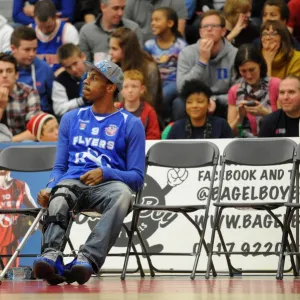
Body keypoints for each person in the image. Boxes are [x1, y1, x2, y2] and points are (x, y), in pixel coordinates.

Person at [33, 59, 145, 285]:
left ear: (110, 87)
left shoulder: (130, 124)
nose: (86, 81)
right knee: (60, 192)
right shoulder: (71, 118)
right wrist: (50, 186)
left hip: (108, 186)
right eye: (87, 76)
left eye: (94, 78)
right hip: (73, 181)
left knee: (123, 195)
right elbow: (60, 167)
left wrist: (107, 173)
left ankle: (87, 258)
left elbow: (137, 178)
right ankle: (51, 255)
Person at [176, 10, 238, 120]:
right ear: (200, 32)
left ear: (223, 31)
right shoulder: (186, 53)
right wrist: (202, 62)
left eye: (214, 26)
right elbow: (181, 88)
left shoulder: (234, 55)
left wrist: (214, 100)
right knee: (179, 104)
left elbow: (238, 92)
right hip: (195, 100)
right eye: (205, 26)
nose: (209, 29)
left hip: (222, 101)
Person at [144, 7, 187, 122]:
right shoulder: (149, 45)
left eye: (157, 20)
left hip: (175, 82)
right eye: (152, 20)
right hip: (155, 82)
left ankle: (166, 121)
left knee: (164, 94)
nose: (153, 23)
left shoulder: (180, 45)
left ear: (170, 23)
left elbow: (185, 70)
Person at [227, 44, 280, 137]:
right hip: (244, 145)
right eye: (243, 71)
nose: (249, 75)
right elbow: (230, 132)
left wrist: (265, 113)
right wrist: (240, 117)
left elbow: (285, 125)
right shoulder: (234, 91)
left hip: (274, 141)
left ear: (260, 65)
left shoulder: (277, 85)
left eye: (252, 70)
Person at [109, 27, 163, 118]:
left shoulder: (149, 68)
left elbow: (151, 101)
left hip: (143, 117)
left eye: (114, 49)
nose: (110, 52)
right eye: (110, 48)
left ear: (126, 49)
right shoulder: (113, 67)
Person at [167, 79, 233, 139]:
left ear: (208, 104)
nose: (194, 106)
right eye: (189, 102)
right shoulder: (177, 128)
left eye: (200, 101)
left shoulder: (221, 125)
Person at [10, 26, 54, 114]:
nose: (32, 54)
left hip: (40, 119)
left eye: (34, 49)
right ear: (13, 49)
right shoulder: (3, 67)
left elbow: (53, 101)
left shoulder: (44, 69)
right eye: (27, 50)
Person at [0, 170, 37, 268]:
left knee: (8, 279)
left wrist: (37, 225)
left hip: (11, 245)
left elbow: (37, 214)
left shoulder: (20, 185)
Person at [0, 53, 40, 142]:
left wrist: (8, 143)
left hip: (22, 145)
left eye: (9, 71)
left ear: (16, 75)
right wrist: (1, 107)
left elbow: (35, 130)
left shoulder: (29, 93)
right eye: (0, 71)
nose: (4, 75)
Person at [32, 0, 79, 74]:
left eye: (48, 26)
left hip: (62, 76)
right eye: (40, 27)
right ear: (34, 18)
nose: (44, 30)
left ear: (56, 17)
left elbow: (75, 62)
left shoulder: (68, 30)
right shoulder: (29, 31)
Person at [119, 69, 161, 139]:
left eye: (134, 86)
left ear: (142, 89)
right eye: (126, 87)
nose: (130, 90)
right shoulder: (115, 111)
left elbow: (154, 136)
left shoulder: (149, 111)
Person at [53, 43, 88, 119]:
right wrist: (82, 100)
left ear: (83, 57)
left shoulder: (97, 73)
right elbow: (58, 109)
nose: (74, 69)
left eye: (75, 63)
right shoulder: (60, 81)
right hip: (74, 121)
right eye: (68, 67)